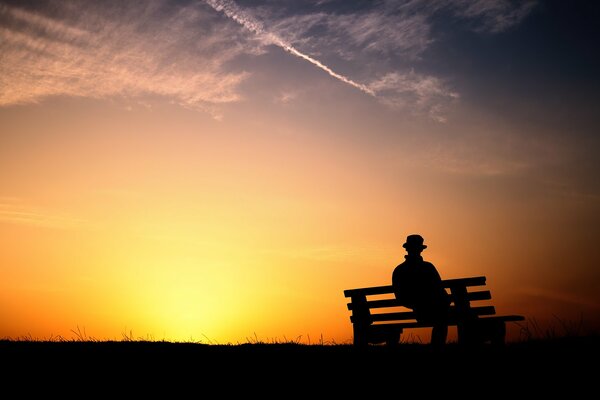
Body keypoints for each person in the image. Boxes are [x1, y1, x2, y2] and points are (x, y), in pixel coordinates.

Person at [392, 234, 451, 348]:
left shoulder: (399, 270)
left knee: (443, 315)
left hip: (417, 311)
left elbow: (400, 297)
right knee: (446, 317)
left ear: (407, 249)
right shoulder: (428, 267)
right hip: (433, 311)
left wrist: (415, 303)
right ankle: (438, 347)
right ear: (420, 250)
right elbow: (441, 290)